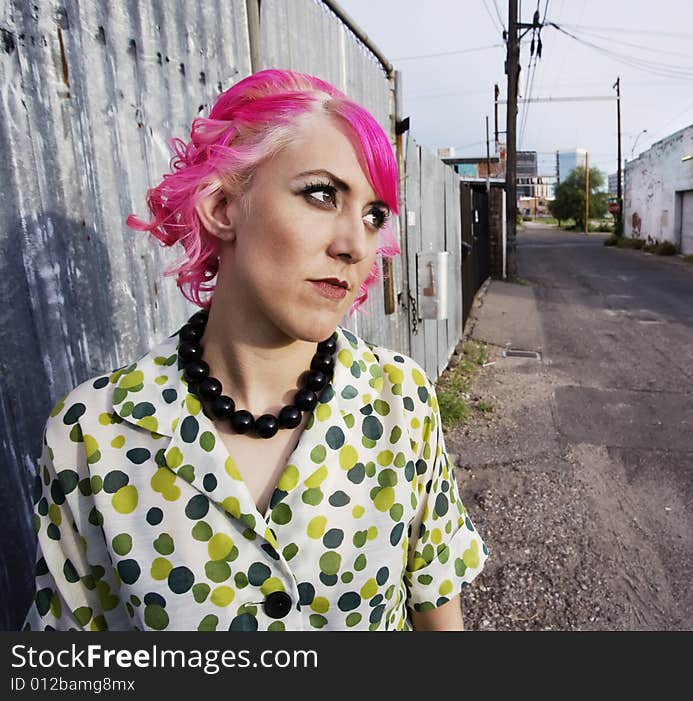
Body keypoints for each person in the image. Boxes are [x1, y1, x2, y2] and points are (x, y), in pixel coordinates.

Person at [22, 69, 488, 631]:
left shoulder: (400, 404)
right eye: (322, 194)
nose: (354, 244)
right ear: (222, 206)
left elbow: (438, 616)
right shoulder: (90, 437)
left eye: (373, 216)